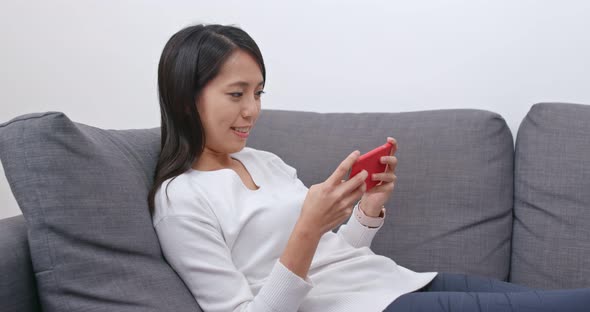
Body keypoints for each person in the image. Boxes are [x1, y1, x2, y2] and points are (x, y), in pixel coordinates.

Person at [148, 24, 590, 312]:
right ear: (188, 98)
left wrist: (368, 211)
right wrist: (307, 228)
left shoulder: (263, 161)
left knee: (554, 301)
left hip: (394, 282)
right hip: (364, 307)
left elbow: (334, 255)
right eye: (236, 94)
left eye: (258, 93)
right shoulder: (181, 201)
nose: (252, 110)